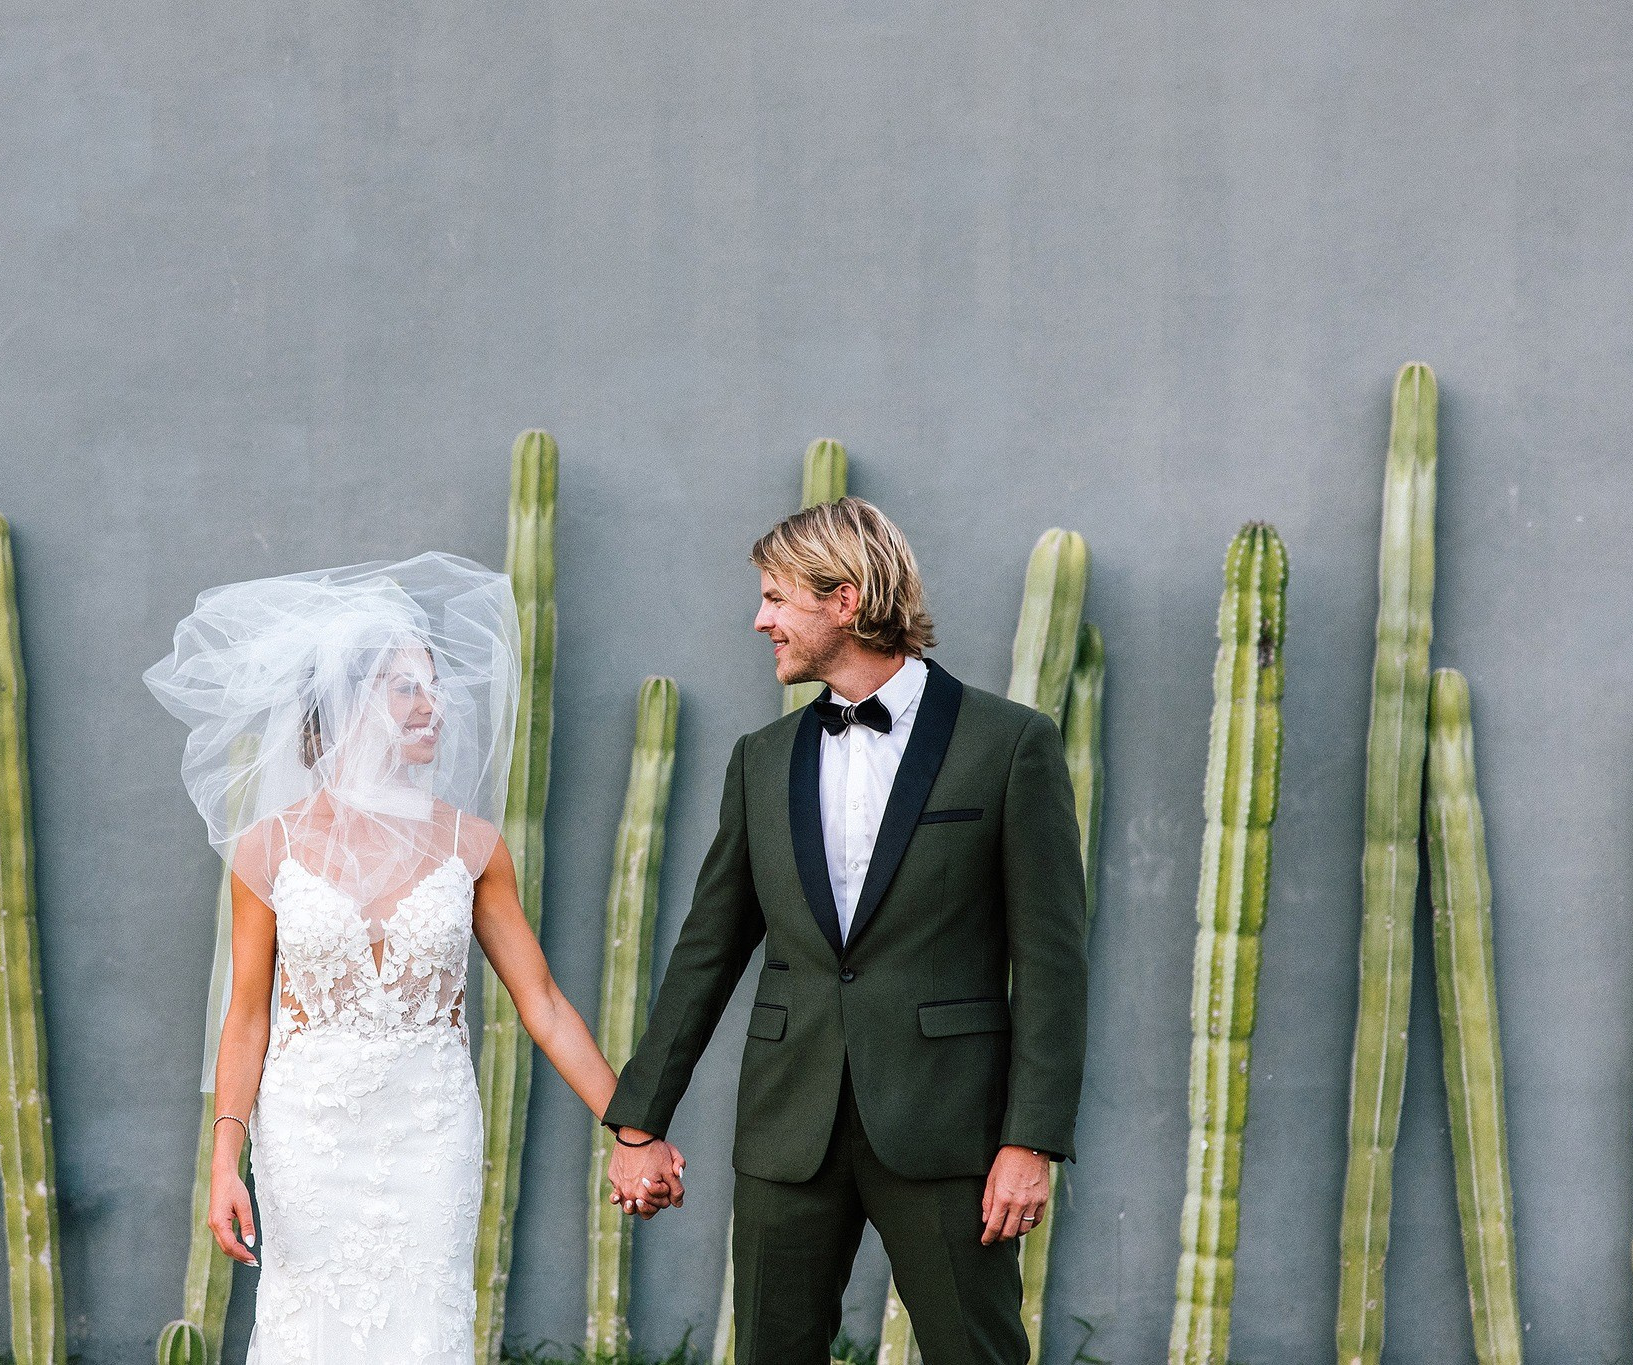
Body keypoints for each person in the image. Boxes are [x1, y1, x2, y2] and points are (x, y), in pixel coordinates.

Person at [146, 551, 677, 1365]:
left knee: (423, 1329)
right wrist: (227, 1158)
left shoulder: (472, 845)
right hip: (308, 1137)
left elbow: (543, 1002)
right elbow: (247, 1015)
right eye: (407, 687)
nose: (436, 706)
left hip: (429, 1131)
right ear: (346, 702)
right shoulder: (267, 847)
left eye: (433, 685)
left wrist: (633, 1129)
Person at [600, 499, 1088, 1365]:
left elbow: (1053, 963)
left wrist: (1031, 1139)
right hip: (789, 1127)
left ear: (845, 600)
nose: (761, 620)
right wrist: (639, 1121)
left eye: (777, 598)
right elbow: (707, 950)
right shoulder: (761, 758)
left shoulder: (1011, 745)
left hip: (949, 1132)